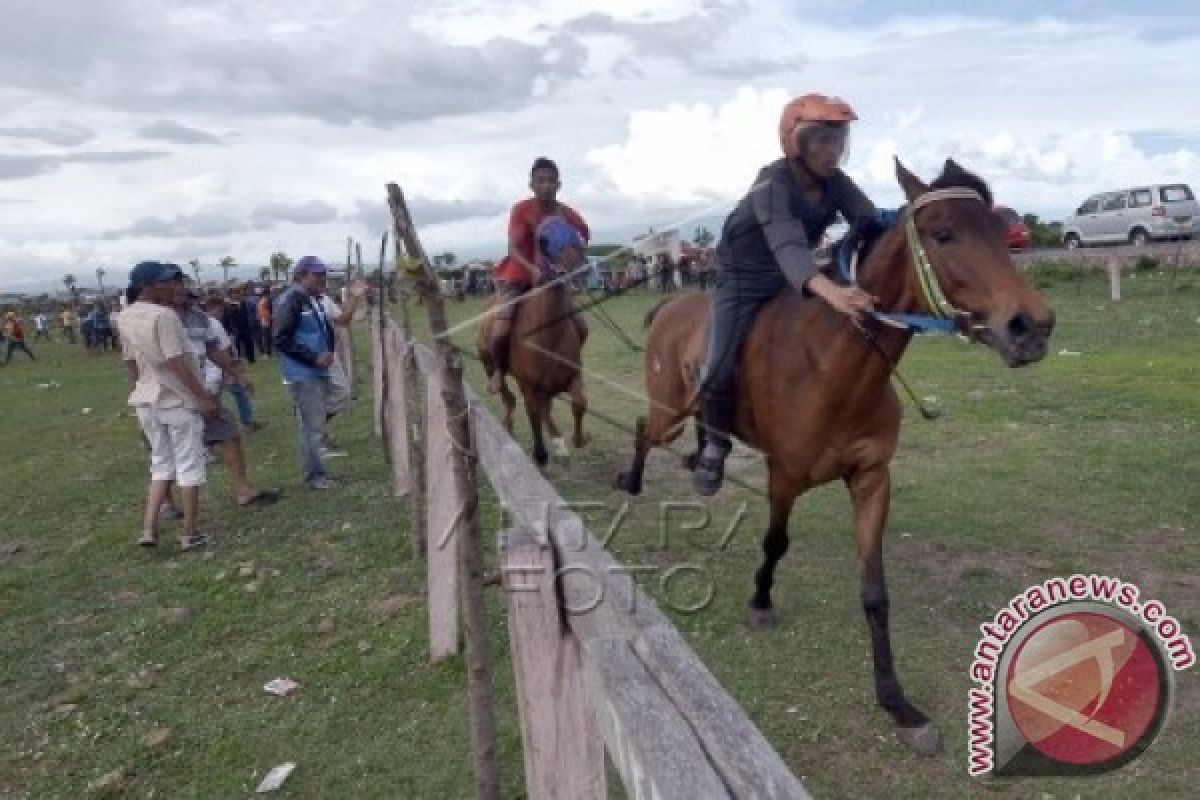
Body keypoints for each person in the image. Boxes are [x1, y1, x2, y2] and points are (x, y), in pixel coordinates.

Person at [692, 93, 881, 496]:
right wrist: (835, 293)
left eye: (838, 141)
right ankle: (714, 443)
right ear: (796, 142)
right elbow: (789, 247)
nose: (831, 152)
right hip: (741, 282)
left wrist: (916, 216)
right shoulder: (772, 184)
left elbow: (869, 217)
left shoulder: (835, 183)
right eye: (821, 141)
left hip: (787, 280)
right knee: (718, 368)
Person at [116, 262, 217, 551]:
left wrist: (140, 384)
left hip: (146, 399)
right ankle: (189, 533)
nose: (173, 286)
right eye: (165, 282)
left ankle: (149, 529)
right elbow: (176, 361)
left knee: (160, 464)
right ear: (147, 286)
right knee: (189, 465)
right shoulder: (165, 315)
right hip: (176, 399)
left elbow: (130, 361)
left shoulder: (125, 317)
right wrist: (202, 396)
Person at [487, 157, 590, 394]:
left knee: (581, 326)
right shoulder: (521, 210)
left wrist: (574, 258)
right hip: (517, 277)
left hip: (552, 281)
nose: (546, 185)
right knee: (501, 329)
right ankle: (498, 371)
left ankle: (569, 365)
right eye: (540, 180)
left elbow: (583, 236)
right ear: (531, 185)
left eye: (551, 181)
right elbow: (512, 249)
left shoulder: (566, 213)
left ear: (559, 185)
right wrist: (532, 269)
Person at [273, 256, 350, 490]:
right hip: (302, 372)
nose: (322, 279)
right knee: (311, 427)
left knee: (317, 420)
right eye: (316, 275)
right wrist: (313, 356)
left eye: (323, 274)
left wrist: (324, 353)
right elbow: (280, 338)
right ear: (300, 275)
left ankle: (317, 473)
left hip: (314, 369)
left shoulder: (311, 299)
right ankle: (315, 477)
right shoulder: (291, 300)